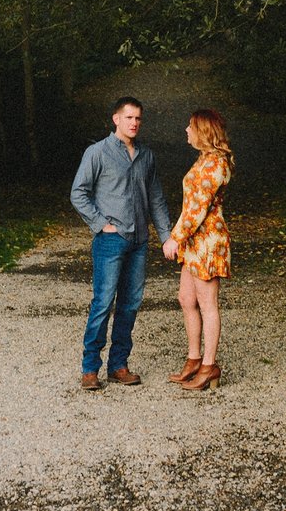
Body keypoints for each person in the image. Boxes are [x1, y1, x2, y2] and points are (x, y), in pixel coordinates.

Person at [69, 95, 172, 390]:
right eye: (129, 118)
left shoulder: (146, 156)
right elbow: (79, 193)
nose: (134, 123)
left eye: (138, 118)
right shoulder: (97, 153)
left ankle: (119, 365)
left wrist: (166, 236)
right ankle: (90, 369)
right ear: (116, 119)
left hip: (139, 242)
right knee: (103, 303)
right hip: (110, 242)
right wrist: (102, 224)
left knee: (130, 304)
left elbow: (156, 199)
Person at [162, 108, 233, 390]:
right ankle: (194, 359)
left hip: (208, 242)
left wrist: (174, 238)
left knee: (207, 304)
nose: (186, 130)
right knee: (186, 299)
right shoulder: (204, 159)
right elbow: (189, 205)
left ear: (203, 131)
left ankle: (209, 366)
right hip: (194, 241)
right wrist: (181, 238)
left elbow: (198, 209)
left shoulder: (217, 163)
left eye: (190, 126)